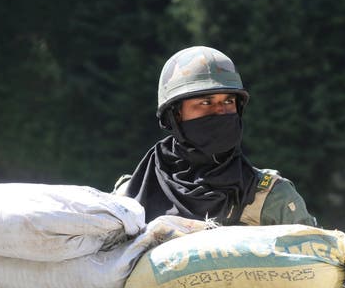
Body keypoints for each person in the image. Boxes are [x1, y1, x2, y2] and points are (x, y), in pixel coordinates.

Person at [115, 46, 316, 226]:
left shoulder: (272, 199)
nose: (220, 112)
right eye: (205, 103)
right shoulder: (129, 199)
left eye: (229, 102)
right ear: (175, 115)